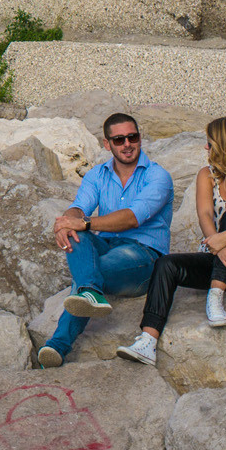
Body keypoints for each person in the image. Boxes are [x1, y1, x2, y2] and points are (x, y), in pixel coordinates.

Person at [117, 116, 226, 364]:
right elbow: (204, 215)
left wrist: (225, 238)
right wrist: (219, 247)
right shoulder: (207, 175)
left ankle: (215, 297)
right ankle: (148, 340)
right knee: (166, 264)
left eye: (210, 143)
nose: (206, 147)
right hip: (225, 262)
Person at [35, 112, 175, 368]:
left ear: (140, 138)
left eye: (132, 137)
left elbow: (132, 218)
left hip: (143, 256)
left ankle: (58, 344)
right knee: (77, 234)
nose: (127, 144)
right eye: (119, 140)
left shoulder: (158, 177)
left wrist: (84, 222)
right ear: (107, 144)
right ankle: (90, 293)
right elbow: (79, 208)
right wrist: (66, 222)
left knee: (87, 272)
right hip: (107, 246)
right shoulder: (97, 175)